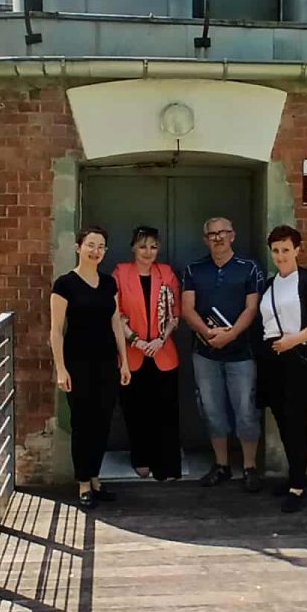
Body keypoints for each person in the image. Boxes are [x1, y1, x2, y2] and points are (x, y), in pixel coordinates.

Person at [50, 225, 131, 510]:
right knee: (82, 423)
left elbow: (116, 324)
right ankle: (83, 481)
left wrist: (124, 361)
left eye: (101, 247)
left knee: (102, 421)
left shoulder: (109, 284)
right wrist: (61, 369)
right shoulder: (64, 284)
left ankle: (95, 476)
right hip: (78, 363)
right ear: (78, 247)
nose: (96, 251)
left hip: (107, 362)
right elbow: (56, 330)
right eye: (90, 245)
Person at [180, 216, 265, 491]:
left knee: (246, 410)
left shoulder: (249, 268)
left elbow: (252, 308)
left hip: (242, 353)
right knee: (212, 410)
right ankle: (221, 465)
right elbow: (187, 309)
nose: (218, 238)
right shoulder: (194, 269)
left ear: (233, 235)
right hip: (205, 354)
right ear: (205, 239)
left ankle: (250, 467)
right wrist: (208, 334)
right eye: (212, 234)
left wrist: (231, 334)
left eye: (223, 232)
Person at [257, 224, 307, 513]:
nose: (280, 256)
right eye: (276, 251)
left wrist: (293, 340)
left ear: (297, 250)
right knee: (282, 421)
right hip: (273, 361)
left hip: (297, 360)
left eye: (286, 250)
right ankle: (293, 476)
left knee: (296, 423)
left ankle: (299, 485)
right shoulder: (269, 284)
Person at [114, 226, 183, 480]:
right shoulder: (121, 273)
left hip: (163, 353)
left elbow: (175, 313)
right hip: (132, 354)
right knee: (136, 411)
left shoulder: (166, 273)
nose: (148, 251)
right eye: (143, 246)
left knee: (165, 411)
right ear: (133, 247)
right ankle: (141, 457)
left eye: (153, 246)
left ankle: (166, 463)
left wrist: (160, 340)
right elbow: (116, 313)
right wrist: (136, 340)